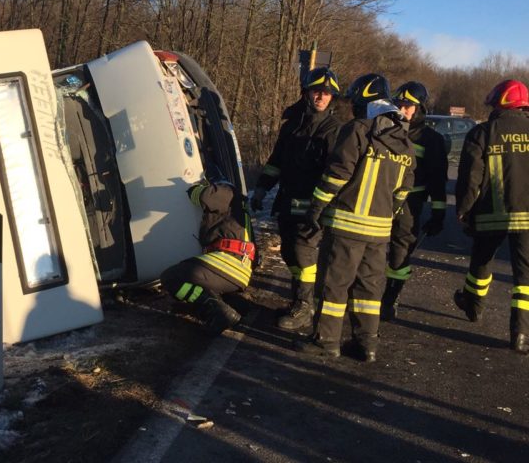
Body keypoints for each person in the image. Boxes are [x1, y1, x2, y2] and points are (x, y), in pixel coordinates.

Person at [296, 73, 414, 362]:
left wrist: (315, 209)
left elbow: (337, 176)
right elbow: (402, 191)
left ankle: (326, 342)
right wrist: (388, 216)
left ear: (364, 100)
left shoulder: (358, 130)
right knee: (369, 289)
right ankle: (367, 344)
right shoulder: (404, 140)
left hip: (346, 226)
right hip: (380, 232)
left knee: (334, 285)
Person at [250, 67, 342, 330]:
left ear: (332, 98)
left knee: (303, 254)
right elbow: (276, 162)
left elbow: (336, 172)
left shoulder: (334, 130)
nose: (321, 97)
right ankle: (298, 300)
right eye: (317, 91)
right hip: (288, 200)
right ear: (306, 93)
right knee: (290, 252)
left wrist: (323, 205)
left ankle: (304, 306)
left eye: (326, 93)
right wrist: (261, 189)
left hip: (313, 205)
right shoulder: (292, 126)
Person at [453, 79, 529, 355]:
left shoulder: (482, 133)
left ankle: (473, 306)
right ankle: (520, 334)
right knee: (525, 278)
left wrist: (463, 207)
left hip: (491, 214)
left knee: (481, 261)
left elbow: (470, 176)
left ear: (500, 103)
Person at [382, 82, 449, 320]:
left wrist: (438, 213)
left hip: (410, 203)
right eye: (399, 103)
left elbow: (438, 179)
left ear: (420, 108)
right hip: (379, 199)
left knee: (400, 253)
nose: (403, 108)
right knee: (372, 249)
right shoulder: (384, 128)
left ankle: (390, 298)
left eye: (409, 105)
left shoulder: (431, 139)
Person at [160, 179, 255, 334]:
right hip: (238, 269)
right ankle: (227, 304)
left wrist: (195, 189)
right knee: (196, 280)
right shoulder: (239, 210)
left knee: (171, 277)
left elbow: (206, 196)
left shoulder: (228, 191)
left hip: (228, 263)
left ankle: (219, 312)